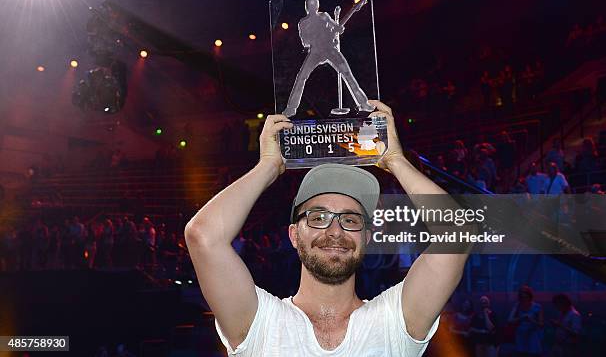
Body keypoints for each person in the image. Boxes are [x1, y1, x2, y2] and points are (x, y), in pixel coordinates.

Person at [185, 100, 470, 356]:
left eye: (350, 220)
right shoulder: (259, 321)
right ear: (294, 235)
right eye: (319, 218)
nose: (335, 231)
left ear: (367, 238)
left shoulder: (396, 320)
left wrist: (396, 161)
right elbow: (203, 236)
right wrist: (268, 166)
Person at [282, 0, 375, 117]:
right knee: (301, 77)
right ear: (307, 8)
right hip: (315, 52)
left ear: (317, 6)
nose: (312, 7)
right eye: (310, 5)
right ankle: (291, 108)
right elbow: (305, 43)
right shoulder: (303, 23)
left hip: (330, 50)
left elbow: (337, 28)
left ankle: (363, 103)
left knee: (347, 74)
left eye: (314, 5)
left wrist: (338, 29)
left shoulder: (324, 16)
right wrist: (318, 37)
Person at [508, 285, 543, 357]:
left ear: (529, 296)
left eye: (525, 296)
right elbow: (510, 320)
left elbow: (541, 324)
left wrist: (531, 320)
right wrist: (521, 318)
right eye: (522, 296)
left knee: (533, 353)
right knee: (521, 353)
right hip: (521, 334)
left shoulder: (537, 307)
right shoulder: (517, 305)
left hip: (533, 334)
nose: (524, 298)